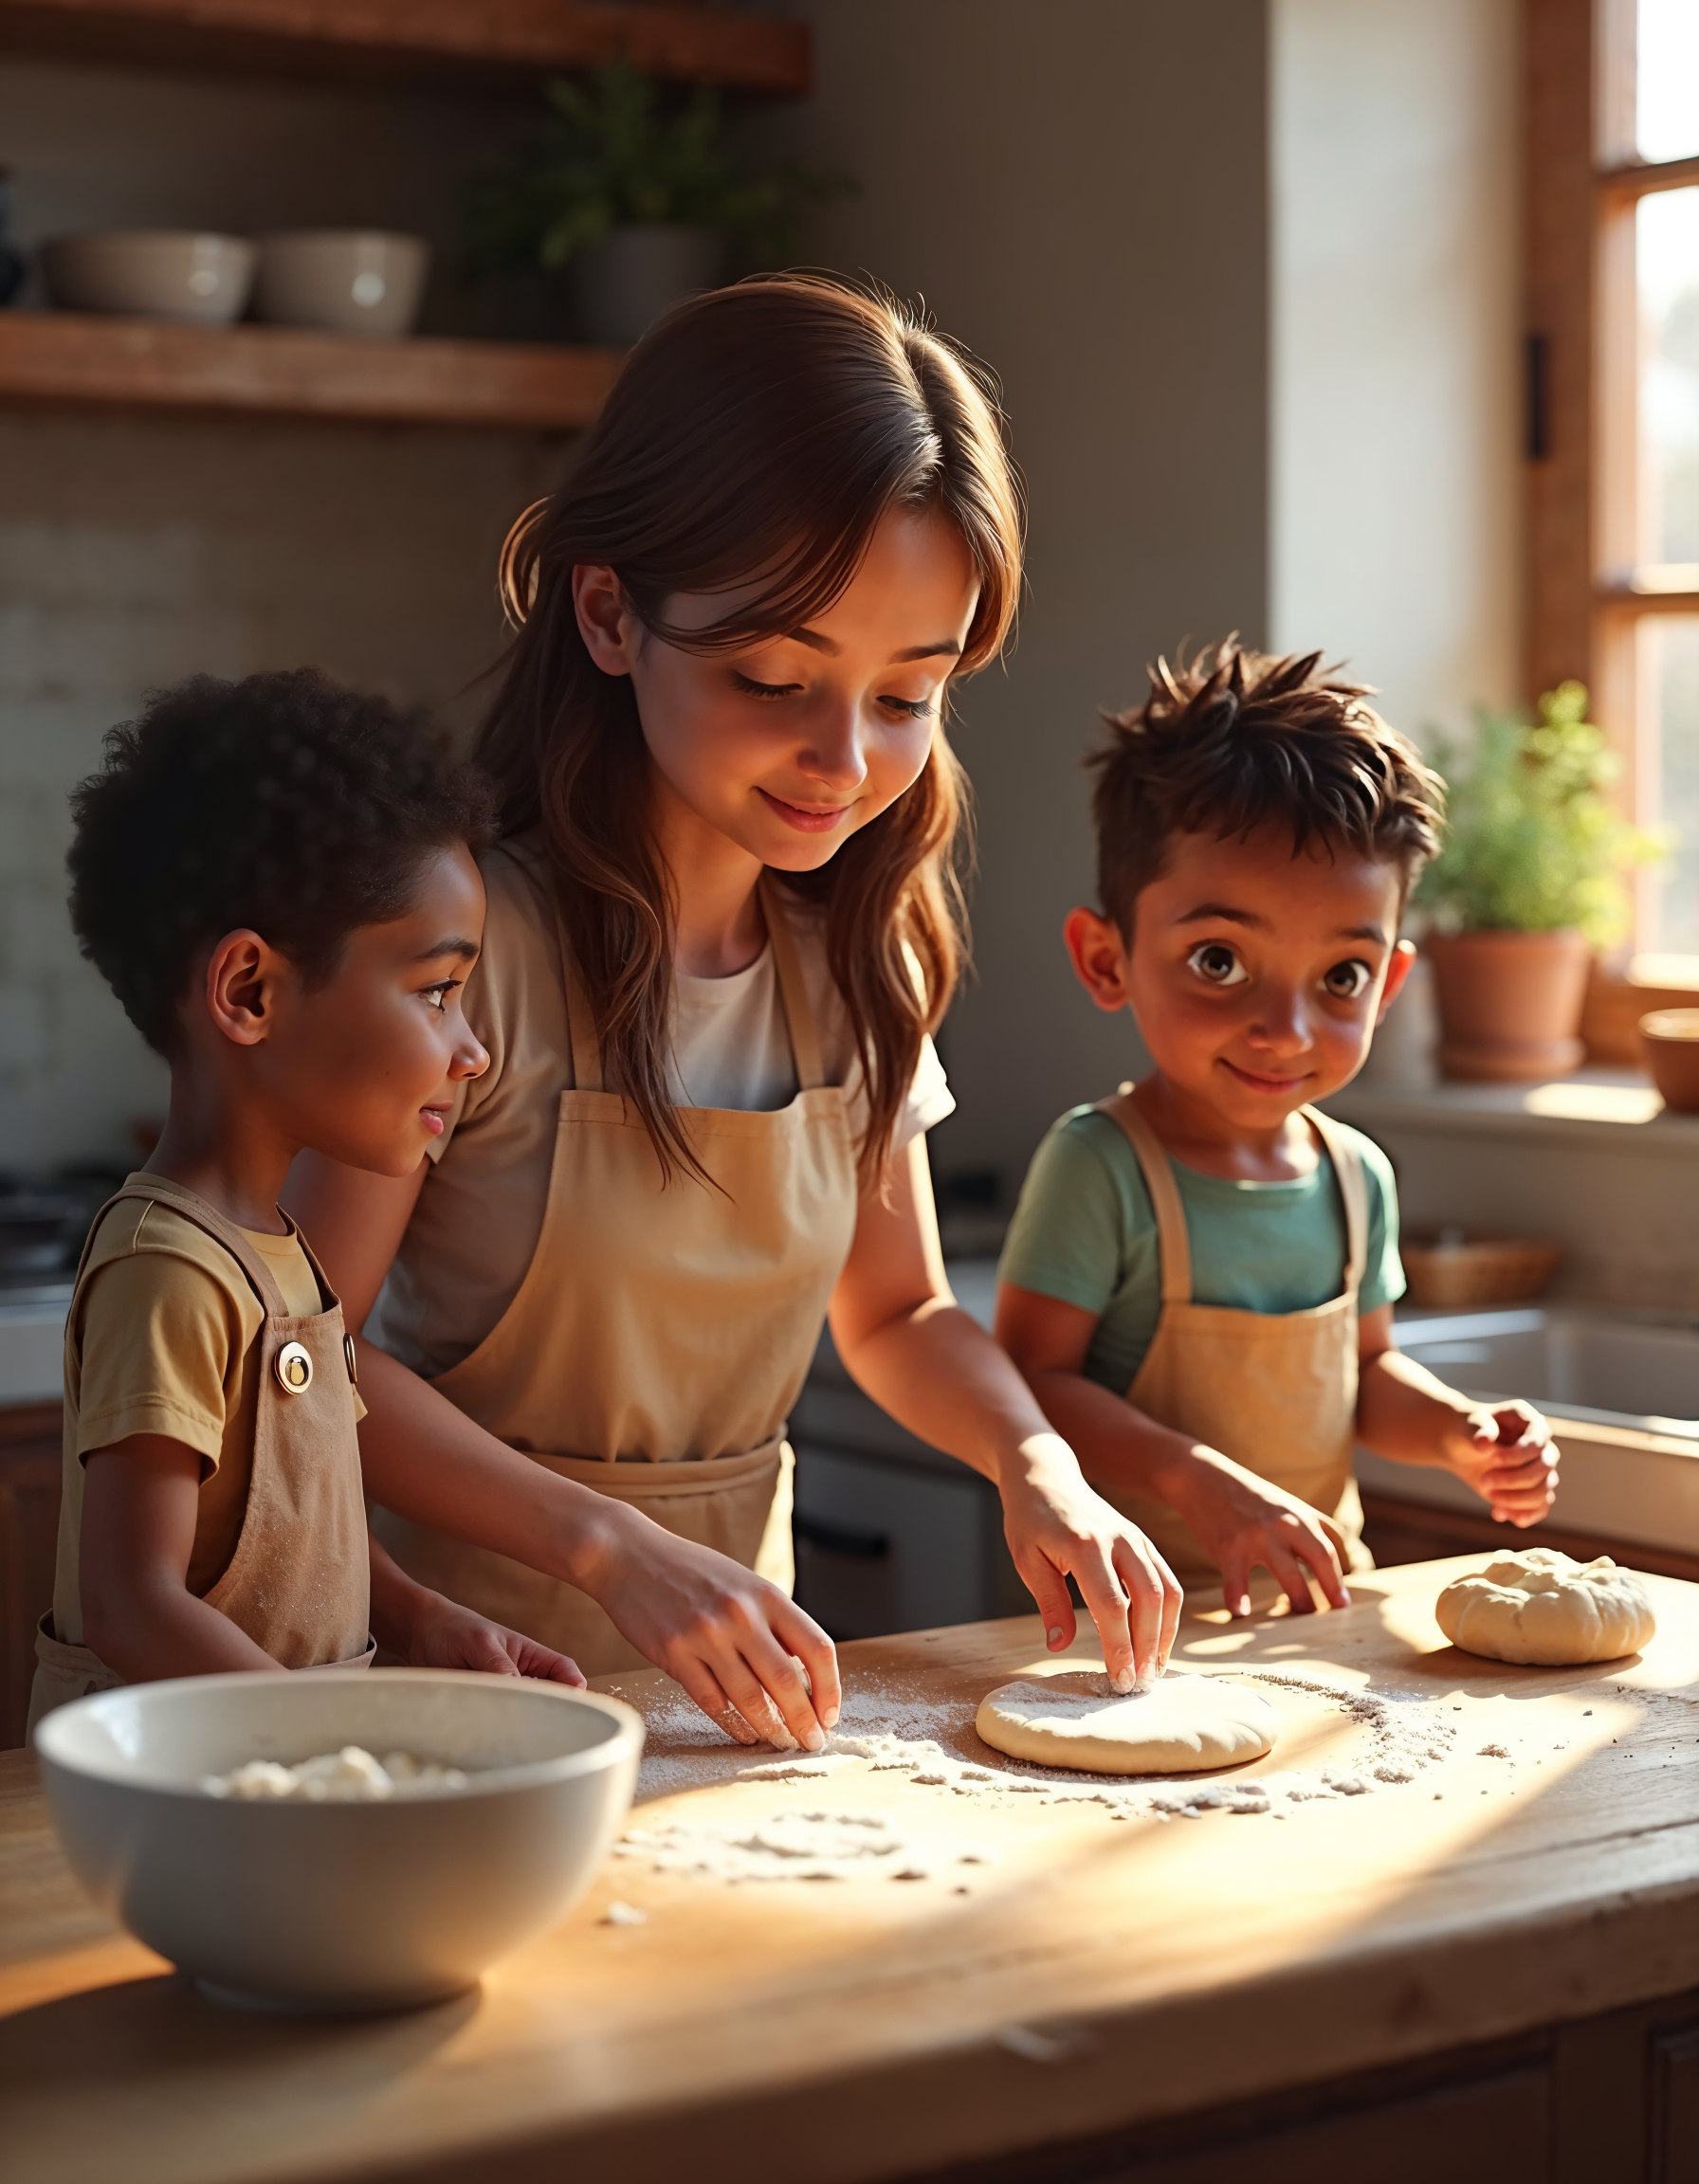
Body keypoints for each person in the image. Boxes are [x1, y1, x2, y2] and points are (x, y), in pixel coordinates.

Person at [287, 276, 1182, 1746]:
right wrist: (607, 1547)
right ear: (608, 613)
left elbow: (893, 1310)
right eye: (774, 676)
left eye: (908, 694)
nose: (842, 755)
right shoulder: (477, 948)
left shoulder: (862, 963)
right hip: (453, 1696)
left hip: (734, 1703)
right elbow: (299, 1352)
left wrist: (1040, 1469)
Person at [28, 670, 585, 1737]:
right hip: (176, 1809)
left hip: (269, 1794)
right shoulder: (168, 1270)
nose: (471, 1050)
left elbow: (292, 1528)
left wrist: (418, 1619)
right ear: (250, 992)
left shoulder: (283, 1252)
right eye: (435, 991)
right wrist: (334, 1750)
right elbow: (133, 1603)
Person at [996, 641, 1562, 1618]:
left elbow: (1366, 1374)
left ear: (1385, 987)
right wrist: (1194, 1479)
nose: (1283, 1028)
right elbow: (1029, 1394)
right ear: (1105, 959)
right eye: (1219, 959)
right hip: (1124, 1633)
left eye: (1339, 977)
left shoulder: (1355, 1178)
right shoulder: (1099, 1166)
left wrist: (1458, 1433)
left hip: (1319, 1625)